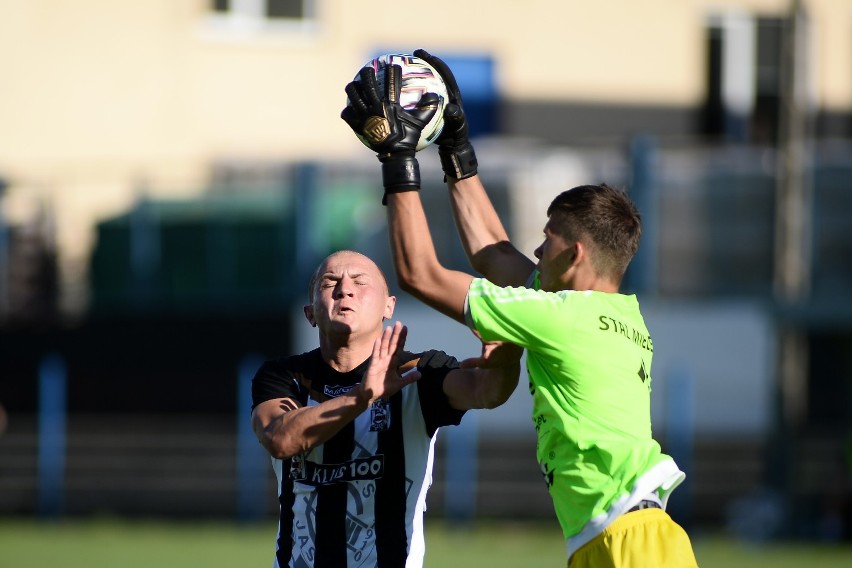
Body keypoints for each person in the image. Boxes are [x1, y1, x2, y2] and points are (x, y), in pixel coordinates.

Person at [341, 50, 699, 567]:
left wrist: (398, 161)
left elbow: (420, 274)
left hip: (629, 545)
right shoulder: (611, 312)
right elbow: (495, 254)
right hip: (627, 535)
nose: (536, 251)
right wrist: (456, 147)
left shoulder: (562, 318)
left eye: (547, 239)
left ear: (575, 255)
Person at [250, 249, 520, 568]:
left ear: (388, 306)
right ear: (311, 313)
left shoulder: (417, 371)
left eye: (360, 281)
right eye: (330, 281)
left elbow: (486, 391)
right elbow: (280, 439)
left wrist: (508, 355)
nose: (344, 288)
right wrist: (361, 397)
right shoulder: (284, 376)